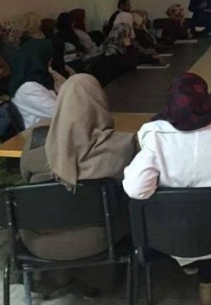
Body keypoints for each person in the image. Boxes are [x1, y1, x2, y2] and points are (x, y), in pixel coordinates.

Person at [123, 73, 211, 305]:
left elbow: (137, 190)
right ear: (205, 99)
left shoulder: (154, 134)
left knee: (178, 220)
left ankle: (186, 262)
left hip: (167, 234)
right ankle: (208, 280)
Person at [20, 74, 136, 297]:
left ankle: (54, 278)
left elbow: (25, 178)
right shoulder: (122, 145)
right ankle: (97, 281)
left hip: (39, 242)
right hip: (98, 242)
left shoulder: (37, 139)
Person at [9, 39, 58, 128]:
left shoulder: (39, 78)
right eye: (47, 57)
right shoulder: (29, 88)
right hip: (45, 132)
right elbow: (60, 112)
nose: (50, 61)